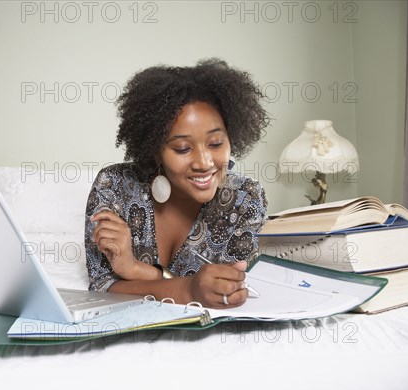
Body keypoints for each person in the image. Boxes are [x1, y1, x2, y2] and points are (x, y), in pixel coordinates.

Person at [84, 58, 270, 309]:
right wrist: (188, 289)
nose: (204, 163)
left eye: (216, 144)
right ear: (155, 150)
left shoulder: (245, 200)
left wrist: (135, 271)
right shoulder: (114, 187)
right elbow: (102, 287)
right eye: (182, 148)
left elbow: (226, 290)